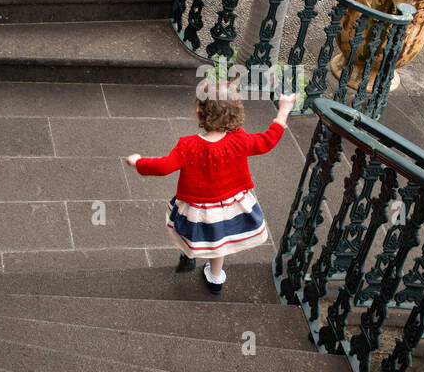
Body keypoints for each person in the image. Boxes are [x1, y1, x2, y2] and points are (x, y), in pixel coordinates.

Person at [126, 83, 296, 295]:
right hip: (230, 207)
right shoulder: (239, 139)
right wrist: (283, 110)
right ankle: (215, 278)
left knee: (190, 232)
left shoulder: (188, 146)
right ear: (236, 113)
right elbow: (267, 141)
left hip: (198, 209)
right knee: (219, 242)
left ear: (200, 115)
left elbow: (163, 167)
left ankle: (189, 256)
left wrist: (139, 162)